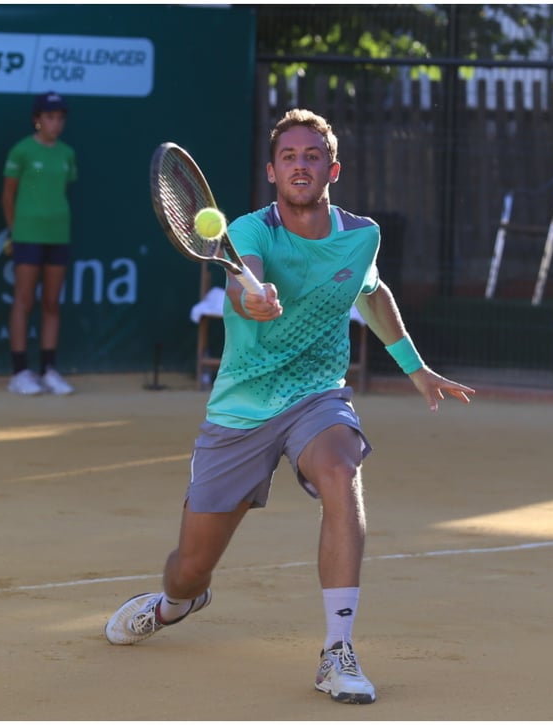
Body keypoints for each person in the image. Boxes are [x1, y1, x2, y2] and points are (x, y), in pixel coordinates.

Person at [103, 108, 476, 705]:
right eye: (288, 157)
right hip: (241, 410)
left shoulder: (362, 235)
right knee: (189, 567)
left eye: (311, 156)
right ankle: (174, 604)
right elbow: (241, 278)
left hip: (317, 396)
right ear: (272, 172)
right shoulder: (249, 231)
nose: (300, 165)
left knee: (341, 469)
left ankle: (337, 651)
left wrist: (415, 366)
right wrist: (255, 300)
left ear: (333, 168)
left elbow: (372, 293)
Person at [1, 91, 77, 395]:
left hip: (58, 233)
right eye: (49, 117)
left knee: (51, 302)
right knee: (24, 300)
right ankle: (19, 372)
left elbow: (63, 190)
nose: (55, 124)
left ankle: (48, 370)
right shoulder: (21, 151)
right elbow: (7, 195)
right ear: (37, 119)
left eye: (59, 118)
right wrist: (13, 230)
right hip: (27, 234)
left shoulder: (67, 154)